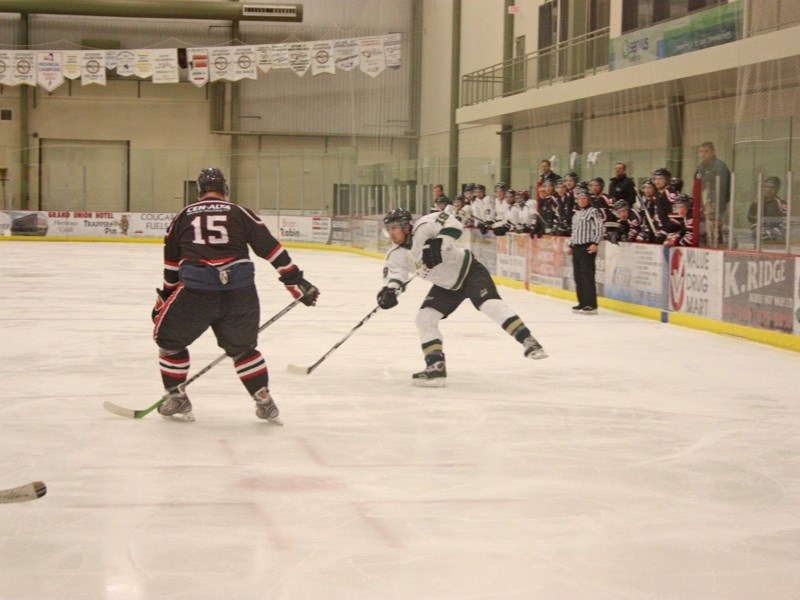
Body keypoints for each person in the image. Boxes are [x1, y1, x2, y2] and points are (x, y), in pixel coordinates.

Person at [152, 167, 320, 422]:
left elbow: (171, 267)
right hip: (240, 293)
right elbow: (270, 249)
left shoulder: (183, 215)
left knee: (169, 343)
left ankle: (177, 398)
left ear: (199, 191)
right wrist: (295, 281)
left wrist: (165, 297)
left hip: (197, 293)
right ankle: (264, 400)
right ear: (225, 190)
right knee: (243, 349)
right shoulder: (239, 212)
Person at [376, 207, 547, 386]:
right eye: (389, 229)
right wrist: (390, 291)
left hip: (469, 271)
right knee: (424, 319)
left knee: (489, 305)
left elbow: (453, 223)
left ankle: (528, 340)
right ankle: (436, 366)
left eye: (394, 228)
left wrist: (439, 242)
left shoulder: (424, 226)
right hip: (447, 286)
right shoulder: (396, 255)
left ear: (405, 226)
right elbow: (396, 277)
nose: (391, 233)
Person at [568, 185, 604, 315]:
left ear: (588, 199)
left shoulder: (593, 211)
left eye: (584, 198)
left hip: (587, 247)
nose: (582, 200)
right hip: (577, 247)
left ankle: (591, 304)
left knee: (587, 276)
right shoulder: (576, 213)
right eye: (579, 198)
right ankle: (582, 302)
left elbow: (599, 228)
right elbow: (574, 231)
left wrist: (595, 243)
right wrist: (571, 245)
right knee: (578, 277)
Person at [747, 176, 786, 242]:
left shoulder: (781, 203)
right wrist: (755, 204)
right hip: (759, 238)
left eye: (772, 187)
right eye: (767, 187)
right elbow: (750, 218)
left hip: (775, 238)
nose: (769, 190)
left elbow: (785, 221)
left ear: (778, 188)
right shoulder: (758, 201)